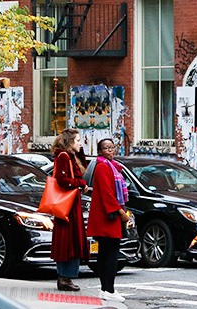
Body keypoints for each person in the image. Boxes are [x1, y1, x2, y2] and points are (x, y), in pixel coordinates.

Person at [87, 138, 130, 302]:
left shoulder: (111, 166)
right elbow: (107, 194)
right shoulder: (104, 167)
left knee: (105, 253)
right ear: (100, 151)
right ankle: (109, 290)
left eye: (112, 147)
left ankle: (106, 289)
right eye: (106, 148)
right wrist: (121, 213)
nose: (110, 150)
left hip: (108, 215)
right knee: (110, 253)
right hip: (108, 216)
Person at [51, 128, 88, 292]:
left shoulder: (70, 156)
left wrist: (80, 152)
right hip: (68, 205)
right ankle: (64, 278)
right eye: (78, 140)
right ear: (70, 142)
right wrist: (80, 184)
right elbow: (61, 180)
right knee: (68, 240)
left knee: (70, 240)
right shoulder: (64, 157)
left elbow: (82, 170)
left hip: (72, 203)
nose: (81, 143)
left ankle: (66, 278)